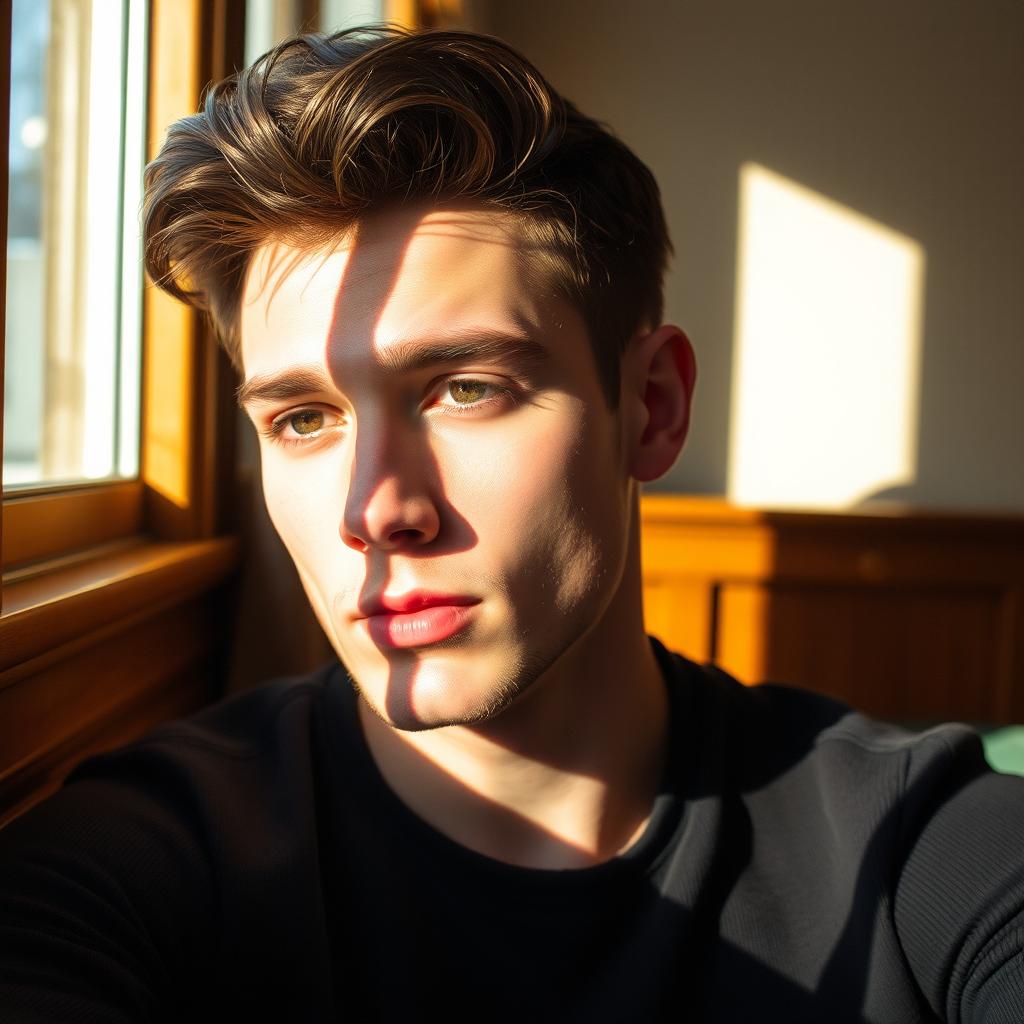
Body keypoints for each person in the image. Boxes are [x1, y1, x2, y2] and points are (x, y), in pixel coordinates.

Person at [1, 24, 1022, 1023]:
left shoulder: (920, 849)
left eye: (465, 387)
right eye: (304, 418)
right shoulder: (135, 865)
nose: (376, 509)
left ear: (652, 408)